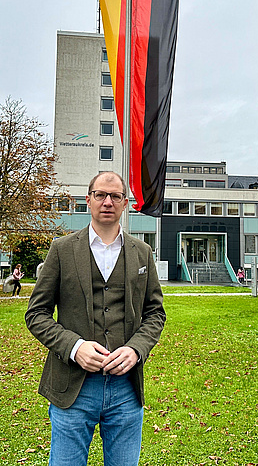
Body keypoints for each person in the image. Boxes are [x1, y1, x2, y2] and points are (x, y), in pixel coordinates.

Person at [25, 171, 166, 466]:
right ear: (88, 200)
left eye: (115, 196)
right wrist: (75, 347)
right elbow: (36, 314)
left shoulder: (143, 253)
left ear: (125, 203)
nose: (107, 202)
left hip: (126, 389)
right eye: (100, 195)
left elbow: (155, 313)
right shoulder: (62, 250)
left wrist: (136, 349)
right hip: (72, 389)